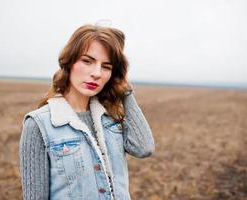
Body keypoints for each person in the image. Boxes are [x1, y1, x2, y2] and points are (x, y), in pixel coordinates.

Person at [19, 24, 155, 200]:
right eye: (87, 61)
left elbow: (144, 148)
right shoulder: (39, 124)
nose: (97, 73)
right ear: (69, 62)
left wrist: (125, 91)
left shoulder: (110, 118)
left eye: (106, 66)